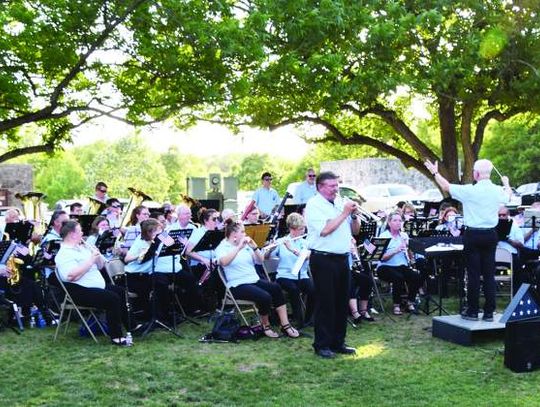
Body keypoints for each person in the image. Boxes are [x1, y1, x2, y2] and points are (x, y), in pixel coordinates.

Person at [425, 158, 511, 321]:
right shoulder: (497, 190)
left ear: (476, 174)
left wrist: (435, 172)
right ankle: (488, 312)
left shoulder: (470, 191)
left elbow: (445, 186)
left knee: (473, 274)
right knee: (488, 274)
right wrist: (506, 182)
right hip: (490, 234)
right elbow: (508, 197)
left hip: (473, 235)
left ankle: (472, 310)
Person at [305, 171, 360, 358]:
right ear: (320, 187)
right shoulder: (313, 205)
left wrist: (353, 216)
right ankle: (322, 344)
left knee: (341, 301)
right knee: (325, 302)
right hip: (323, 259)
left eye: (337, 185)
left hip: (342, 258)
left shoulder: (338, 202)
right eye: (332, 186)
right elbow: (325, 230)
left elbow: (355, 231)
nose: (336, 189)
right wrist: (345, 213)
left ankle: (338, 342)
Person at [215, 219, 299, 338]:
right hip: (237, 284)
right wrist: (238, 248)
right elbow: (223, 262)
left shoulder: (246, 246)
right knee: (265, 296)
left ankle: (285, 325)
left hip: (253, 279)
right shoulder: (223, 247)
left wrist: (254, 248)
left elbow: (261, 260)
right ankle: (265, 326)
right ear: (234, 235)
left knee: (275, 287)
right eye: (243, 232)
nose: (245, 234)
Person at [55, 220, 130, 346]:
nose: (83, 234)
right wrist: (90, 260)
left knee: (120, 292)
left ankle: (131, 327)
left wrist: (97, 256)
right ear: (72, 234)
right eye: (80, 231)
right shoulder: (64, 254)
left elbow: (100, 266)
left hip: (95, 286)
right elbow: (71, 276)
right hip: (79, 291)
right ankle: (116, 336)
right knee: (112, 298)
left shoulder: (81, 248)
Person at [265, 212, 314, 327]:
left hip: (301, 275)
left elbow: (307, 256)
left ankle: (308, 318)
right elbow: (265, 258)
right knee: (294, 289)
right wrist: (271, 249)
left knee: (313, 290)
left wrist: (292, 250)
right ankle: (298, 321)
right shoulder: (282, 241)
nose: (303, 231)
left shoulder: (305, 242)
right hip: (284, 276)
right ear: (293, 229)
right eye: (301, 229)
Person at [377, 211, 421, 315]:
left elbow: (410, 257)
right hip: (385, 266)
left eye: (400, 220)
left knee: (416, 276)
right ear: (389, 222)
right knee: (398, 277)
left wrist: (410, 249)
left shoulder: (404, 235)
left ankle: (410, 302)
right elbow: (382, 258)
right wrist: (395, 250)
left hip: (401, 265)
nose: (398, 223)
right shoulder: (383, 236)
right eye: (395, 220)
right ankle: (396, 305)